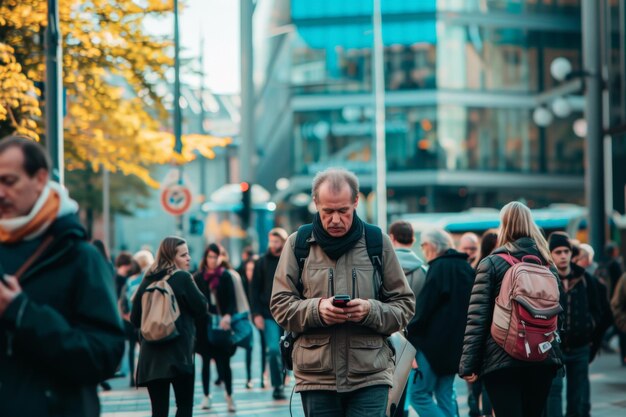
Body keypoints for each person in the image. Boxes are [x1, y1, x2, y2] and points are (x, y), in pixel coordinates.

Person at [270, 167, 415, 417]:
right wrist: (317, 310)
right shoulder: (298, 244)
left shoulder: (377, 242)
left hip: (371, 375)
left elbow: (404, 305)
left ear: (356, 202)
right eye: (328, 211)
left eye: (343, 211)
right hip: (316, 378)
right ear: (315, 203)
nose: (335, 219)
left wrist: (370, 310)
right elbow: (280, 305)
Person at [0, 135, 125, 417]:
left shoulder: (80, 257)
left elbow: (104, 355)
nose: (0, 193)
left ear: (40, 179)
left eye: (9, 181)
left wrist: (21, 313)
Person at [459, 201, 562, 417]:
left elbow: (477, 318)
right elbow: (558, 317)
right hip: (542, 358)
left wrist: (469, 364)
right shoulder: (548, 266)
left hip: (502, 358)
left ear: (503, 225)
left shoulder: (492, 263)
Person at [131, 236, 207, 417]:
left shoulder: (148, 278)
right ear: (172, 257)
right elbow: (202, 307)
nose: (188, 258)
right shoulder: (182, 277)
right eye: (183, 255)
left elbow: (135, 318)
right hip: (179, 354)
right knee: (184, 406)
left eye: (188, 254)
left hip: (151, 357)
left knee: (158, 411)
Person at [406, 228, 474, 417]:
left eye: (423, 245)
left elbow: (424, 308)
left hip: (432, 347)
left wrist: (410, 338)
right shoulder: (467, 268)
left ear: (432, 246)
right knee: (445, 395)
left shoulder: (438, 267)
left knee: (418, 395)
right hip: (457, 347)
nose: (422, 249)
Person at [544, 232, 601, 417]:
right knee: (553, 395)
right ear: (551, 254)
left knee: (576, 400)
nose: (562, 255)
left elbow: (598, 310)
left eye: (566, 251)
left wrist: (590, 330)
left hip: (579, 347)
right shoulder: (546, 279)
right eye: (558, 251)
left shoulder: (585, 279)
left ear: (571, 253)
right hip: (553, 349)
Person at [193, 243, 238, 412]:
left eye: (216, 257)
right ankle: (206, 396)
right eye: (210, 257)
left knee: (224, 363)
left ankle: (230, 396)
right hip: (204, 325)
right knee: (205, 362)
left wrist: (228, 315)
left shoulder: (225, 276)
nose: (213, 260)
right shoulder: (198, 277)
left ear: (221, 258)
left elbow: (232, 301)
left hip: (221, 324)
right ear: (205, 258)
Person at [389, 220, 426, 417]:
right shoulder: (424, 271)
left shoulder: (383, 267)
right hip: (414, 339)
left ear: (392, 238)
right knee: (406, 393)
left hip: (388, 337)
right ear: (412, 240)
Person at [251, 227, 290, 400]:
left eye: (277, 241)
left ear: (283, 242)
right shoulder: (261, 262)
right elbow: (253, 290)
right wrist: (256, 314)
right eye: (271, 241)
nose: (273, 244)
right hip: (268, 314)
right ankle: (278, 385)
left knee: (287, 350)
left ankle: (284, 377)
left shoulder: (290, 260)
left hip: (289, 313)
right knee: (273, 350)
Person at [467, 228, 498, 417]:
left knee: (488, 388)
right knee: (477, 389)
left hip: (495, 340)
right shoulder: (478, 273)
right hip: (483, 340)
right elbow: (473, 315)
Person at [242, 254, 264, 389]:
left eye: (253, 269)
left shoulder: (260, 283)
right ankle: (249, 377)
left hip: (259, 316)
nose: (250, 272)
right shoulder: (243, 282)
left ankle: (264, 375)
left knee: (264, 345)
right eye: (248, 269)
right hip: (246, 317)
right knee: (249, 347)